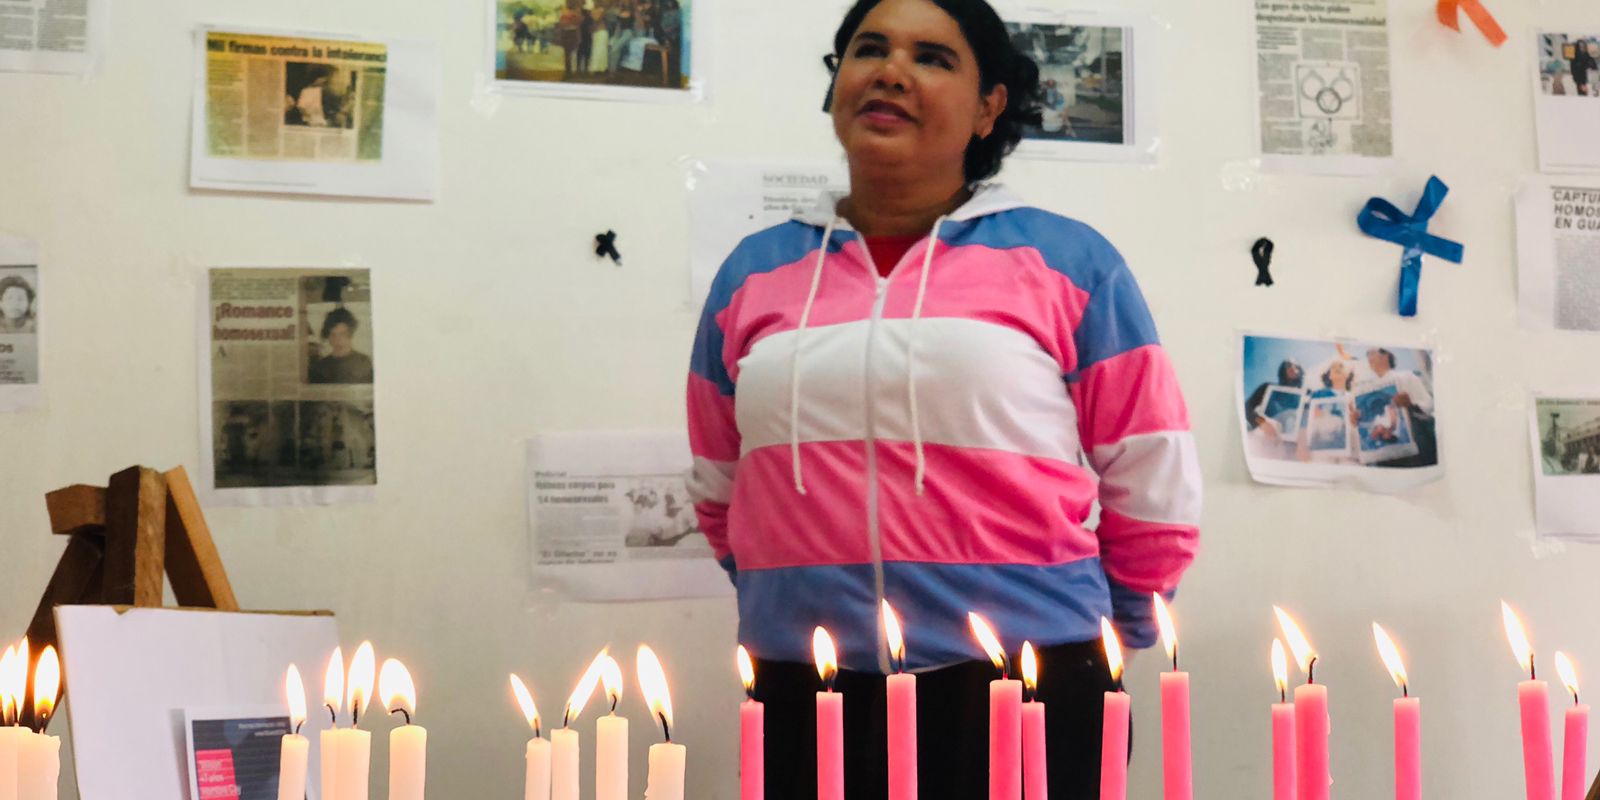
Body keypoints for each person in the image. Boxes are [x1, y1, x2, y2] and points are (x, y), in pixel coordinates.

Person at [684, 1, 1200, 797]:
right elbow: (720, 485)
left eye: (932, 57)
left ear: (989, 106)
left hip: (1028, 679)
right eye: (869, 50)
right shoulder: (755, 272)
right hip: (804, 684)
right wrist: (789, 600)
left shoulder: (1067, 261)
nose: (891, 72)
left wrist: (1117, 636)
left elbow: (1151, 473)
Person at [308, 307, 374, 384]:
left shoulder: (363, 362)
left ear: (350, 334)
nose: (337, 339)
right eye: (333, 334)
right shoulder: (320, 366)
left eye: (342, 334)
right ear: (328, 336)